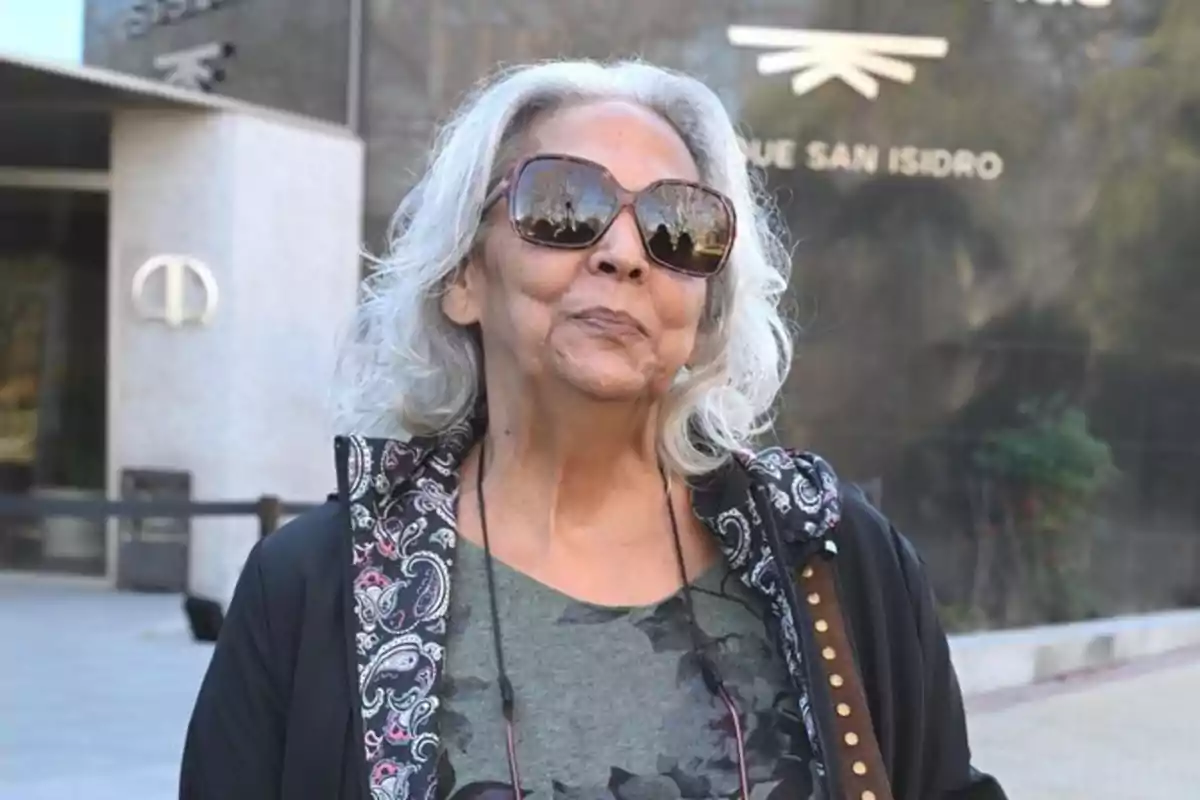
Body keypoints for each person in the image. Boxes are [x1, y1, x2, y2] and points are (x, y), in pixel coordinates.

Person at [180, 59, 1007, 800]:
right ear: (464, 275)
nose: (624, 253)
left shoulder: (831, 554)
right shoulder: (309, 588)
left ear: (706, 311)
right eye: (563, 204)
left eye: (679, 226)